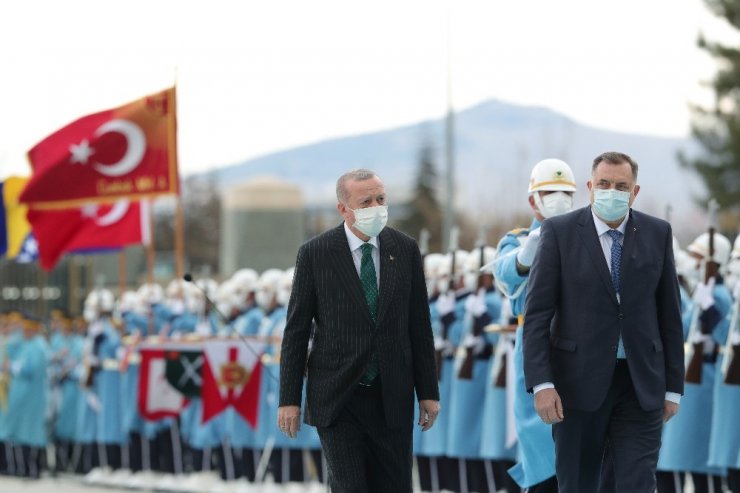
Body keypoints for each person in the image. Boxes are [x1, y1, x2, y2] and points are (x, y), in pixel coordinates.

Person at [523, 151, 684, 493]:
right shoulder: (559, 233)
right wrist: (541, 384)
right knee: (578, 483)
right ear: (590, 187)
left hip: (641, 384)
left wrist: (673, 387)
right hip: (576, 385)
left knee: (636, 482)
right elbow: (537, 316)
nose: (612, 191)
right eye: (605, 184)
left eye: (621, 186)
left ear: (635, 191)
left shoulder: (658, 233)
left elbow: (670, 314)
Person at [278, 168, 440, 492]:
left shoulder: (404, 249)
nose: (376, 207)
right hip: (338, 396)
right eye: (365, 201)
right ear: (343, 209)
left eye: (381, 199)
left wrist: (428, 392)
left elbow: (419, 325)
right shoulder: (315, 254)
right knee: (350, 486)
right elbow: (296, 331)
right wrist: (289, 399)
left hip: (391, 394)